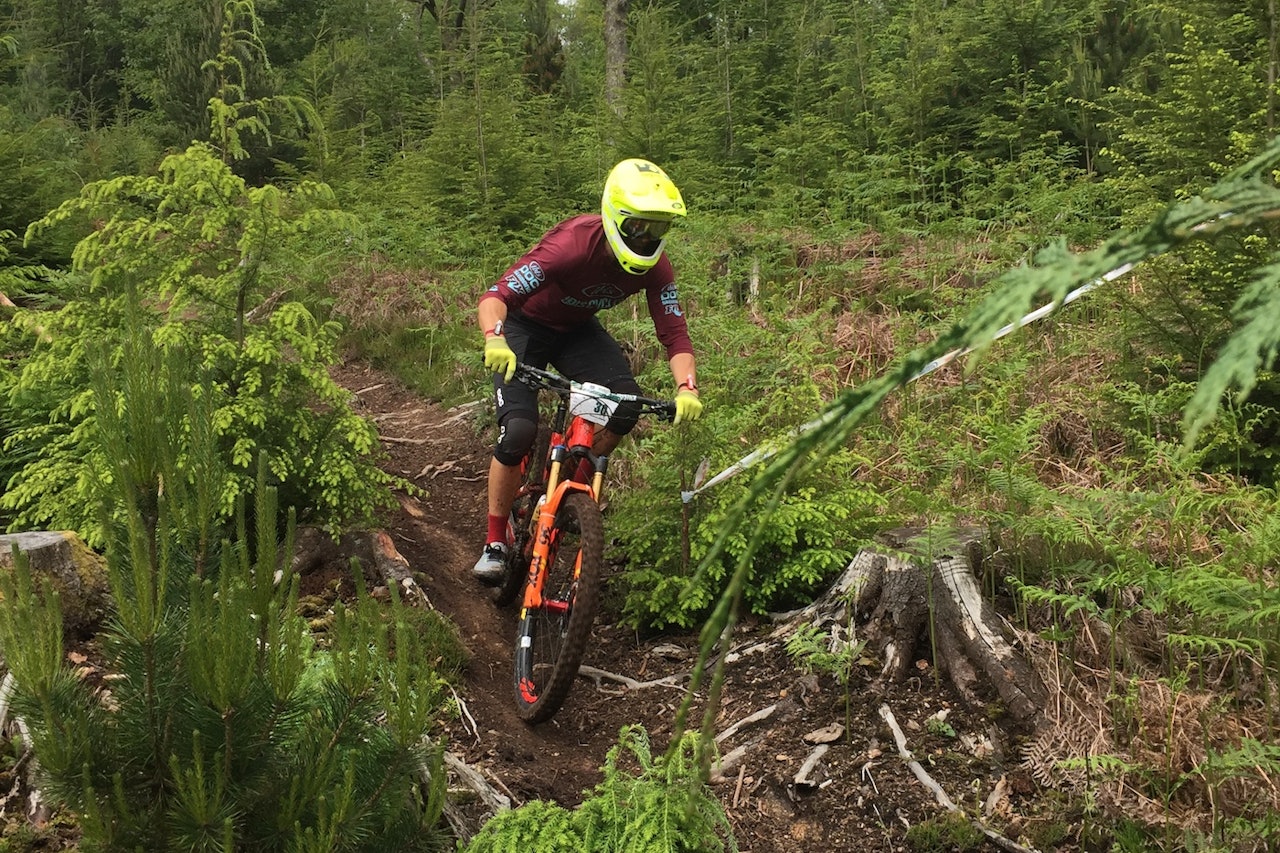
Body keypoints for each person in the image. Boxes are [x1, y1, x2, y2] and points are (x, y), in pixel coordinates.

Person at [472, 158, 704, 583]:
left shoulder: (657, 267)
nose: (649, 237)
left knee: (625, 407)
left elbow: (674, 332)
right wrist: (495, 337)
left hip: (577, 331)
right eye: (639, 227)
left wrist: (686, 387)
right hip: (524, 327)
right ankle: (495, 541)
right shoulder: (573, 245)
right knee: (520, 430)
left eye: (659, 228)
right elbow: (497, 295)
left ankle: (567, 497)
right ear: (615, 216)